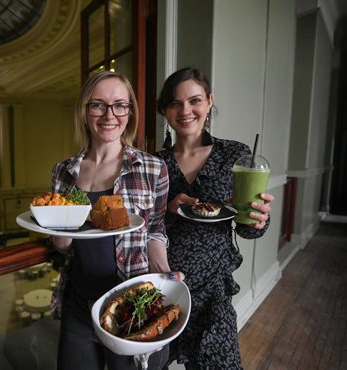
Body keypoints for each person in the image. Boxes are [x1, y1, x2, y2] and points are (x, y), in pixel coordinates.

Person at [49, 71, 171, 370]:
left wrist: (164, 273)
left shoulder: (153, 169)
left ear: (130, 112)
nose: (109, 115)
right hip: (78, 304)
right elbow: (62, 245)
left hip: (130, 306)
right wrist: (59, 234)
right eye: (98, 105)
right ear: (85, 111)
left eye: (120, 105)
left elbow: (155, 229)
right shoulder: (63, 172)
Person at [155, 67, 275, 369]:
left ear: (209, 102)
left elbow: (246, 228)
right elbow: (144, 227)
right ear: (165, 111)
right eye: (175, 103)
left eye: (194, 100)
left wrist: (258, 219)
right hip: (163, 287)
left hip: (212, 289)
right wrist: (168, 209)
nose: (185, 111)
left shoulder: (235, 155)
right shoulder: (155, 164)